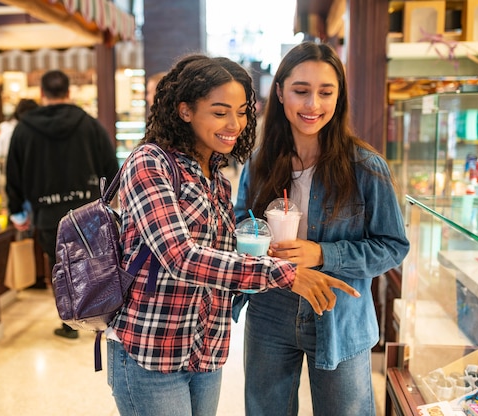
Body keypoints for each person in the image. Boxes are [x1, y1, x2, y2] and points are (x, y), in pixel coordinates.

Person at [106, 54, 360, 416]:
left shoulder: (217, 179)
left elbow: (225, 262)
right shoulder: (151, 163)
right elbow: (181, 257)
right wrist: (284, 274)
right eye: (220, 111)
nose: (235, 123)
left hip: (204, 350)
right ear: (185, 111)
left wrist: (270, 250)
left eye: (242, 111)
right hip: (150, 349)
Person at [234, 42, 410, 416]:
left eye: (325, 92)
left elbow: (393, 246)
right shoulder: (260, 163)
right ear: (279, 92)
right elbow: (239, 224)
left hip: (339, 313)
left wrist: (322, 253)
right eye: (301, 91)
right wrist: (260, 247)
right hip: (270, 309)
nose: (312, 104)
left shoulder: (366, 167)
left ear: (338, 96)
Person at [6, 69, 119, 339]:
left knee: (59, 269)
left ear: (42, 94)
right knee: (92, 264)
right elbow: (112, 168)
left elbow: (13, 174)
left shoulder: (23, 129)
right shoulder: (90, 124)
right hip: (88, 214)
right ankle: (98, 316)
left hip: (48, 215)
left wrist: (17, 210)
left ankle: (70, 322)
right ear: (69, 92)